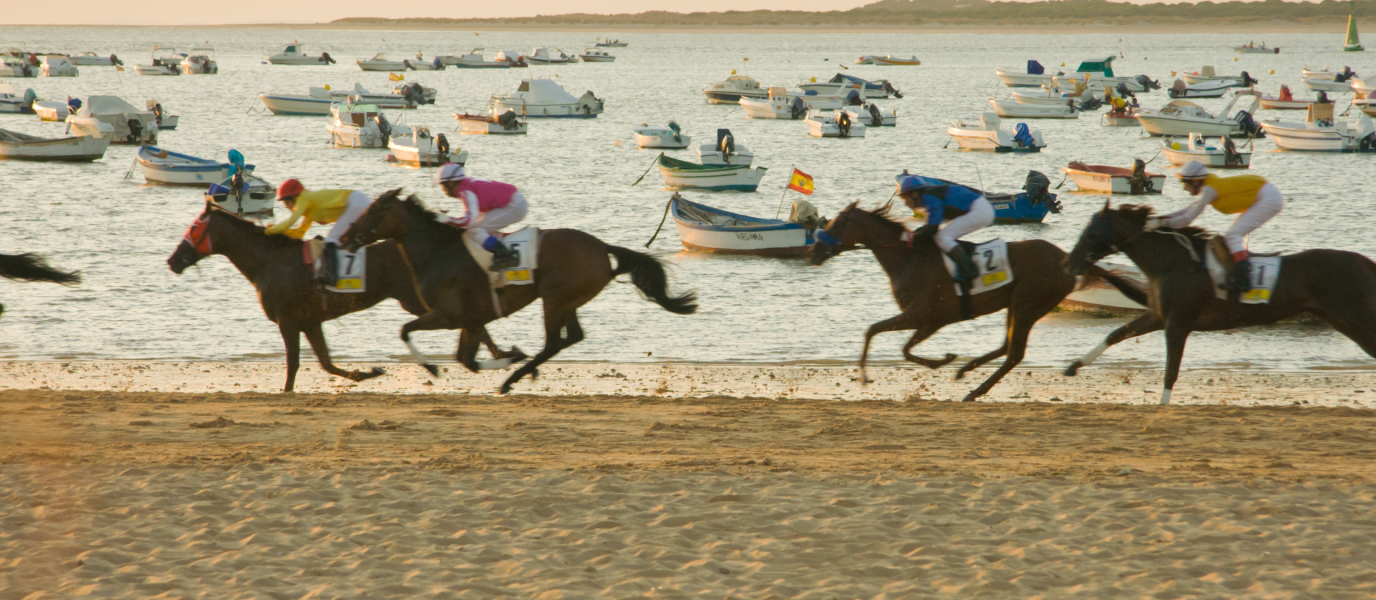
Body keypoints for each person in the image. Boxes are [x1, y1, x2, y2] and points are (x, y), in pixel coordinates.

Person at [1156, 161, 1284, 292]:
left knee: (1233, 235)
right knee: (1233, 235)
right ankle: (1239, 270)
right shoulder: (1209, 187)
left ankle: (1243, 279)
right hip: (1266, 195)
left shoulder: (1209, 190)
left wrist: (1162, 223)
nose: (1184, 188)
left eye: (1184, 183)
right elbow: (1189, 209)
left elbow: (1187, 219)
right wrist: (1161, 219)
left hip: (1268, 198)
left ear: (1195, 182)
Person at [265, 179, 372, 284]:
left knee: (331, 240)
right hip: (358, 201)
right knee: (339, 240)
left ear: (294, 198)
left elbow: (289, 222)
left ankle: (332, 277)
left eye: (286, 202)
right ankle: (348, 277)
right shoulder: (309, 207)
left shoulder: (304, 199)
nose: (286, 206)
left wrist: (267, 231)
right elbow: (300, 232)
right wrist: (279, 234)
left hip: (356, 202)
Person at [897, 175, 994, 286]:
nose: (905, 203)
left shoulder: (929, 197)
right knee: (944, 235)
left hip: (980, 211)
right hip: (981, 208)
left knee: (942, 237)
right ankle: (963, 262)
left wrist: (913, 237)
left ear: (914, 194)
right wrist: (917, 233)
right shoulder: (928, 196)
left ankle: (970, 269)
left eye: (905, 198)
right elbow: (931, 226)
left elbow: (932, 228)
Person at [436, 163, 528, 271]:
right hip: (510, 202)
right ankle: (493, 252)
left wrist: (447, 219)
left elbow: (469, 221)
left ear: (451, 183)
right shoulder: (466, 186)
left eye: (443, 185)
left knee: (476, 230)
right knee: (476, 227)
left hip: (514, 205)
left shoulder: (466, 191)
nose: (442, 189)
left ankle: (505, 255)